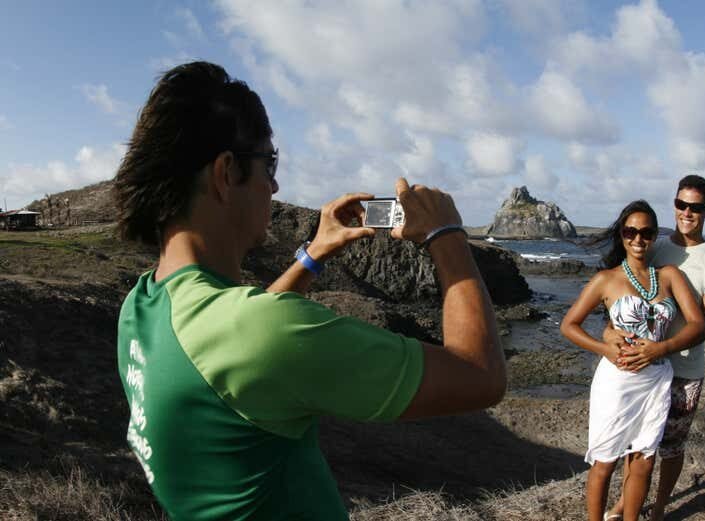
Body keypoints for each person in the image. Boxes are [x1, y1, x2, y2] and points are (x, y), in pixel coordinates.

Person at [114, 61, 506, 520]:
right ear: (225, 172)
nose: (275, 184)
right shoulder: (256, 331)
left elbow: (243, 339)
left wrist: (313, 255)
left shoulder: (141, 306)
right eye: (269, 162)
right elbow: (481, 376)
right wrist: (447, 235)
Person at [560, 200, 705, 521]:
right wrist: (606, 348)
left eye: (646, 232)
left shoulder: (668, 276)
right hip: (617, 381)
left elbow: (697, 324)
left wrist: (661, 348)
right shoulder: (605, 280)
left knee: (644, 459)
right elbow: (568, 325)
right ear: (622, 235)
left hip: (656, 380)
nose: (638, 239)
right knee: (605, 461)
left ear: (654, 236)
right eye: (631, 231)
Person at [605, 175, 705, 521]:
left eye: (696, 207)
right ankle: (624, 505)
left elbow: (703, 327)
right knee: (637, 446)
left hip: (684, 370)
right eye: (681, 204)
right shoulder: (655, 248)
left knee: (671, 447)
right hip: (643, 369)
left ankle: (659, 508)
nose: (687, 212)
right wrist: (608, 335)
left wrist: (660, 350)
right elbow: (619, 298)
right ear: (674, 204)